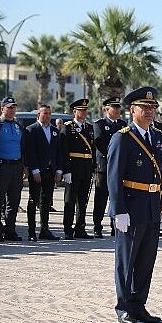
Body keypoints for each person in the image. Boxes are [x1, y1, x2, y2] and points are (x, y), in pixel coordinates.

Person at [108, 86, 162, 323]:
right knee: (126, 260)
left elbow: (161, 172)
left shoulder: (159, 137)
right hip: (131, 209)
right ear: (132, 110)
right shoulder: (122, 138)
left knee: (145, 261)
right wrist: (118, 210)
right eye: (145, 107)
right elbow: (113, 178)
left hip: (152, 207)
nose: (150, 111)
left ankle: (138, 304)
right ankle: (123, 307)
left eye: (152, 107)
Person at [60, 98, 96, 240]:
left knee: (83, 200)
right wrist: (66, 170)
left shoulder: (89, 128)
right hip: (73, 168)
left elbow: (92, 149)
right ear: (74, 111)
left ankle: (80, 228)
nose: (84, 112)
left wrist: (92, 166)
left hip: (86, 168)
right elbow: (64, 151)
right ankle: (68, 229)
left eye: (85, 110)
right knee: (70, 200)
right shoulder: (68, 127)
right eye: (81, 110)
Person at [25, 104, 61, 241]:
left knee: (46, 202)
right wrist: (34, 170)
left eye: (49, 113)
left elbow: (58, 152)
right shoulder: (31, 130)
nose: (47, 116)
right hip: (37, 171)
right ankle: (31, 231)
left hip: (50, 171)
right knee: (33, 200)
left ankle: (44, 229)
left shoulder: (54, 131)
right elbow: (30, 152)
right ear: (38, 115)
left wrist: (58, 169)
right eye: (45, 113)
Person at [93, 97, 127, 238]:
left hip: (120, 168)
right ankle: (97, 226)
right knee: (101, 198)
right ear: (107, 109)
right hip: (105, 167)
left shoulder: (122, 124)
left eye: (119, 107)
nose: (118, 110)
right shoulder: (100, 124)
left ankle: (114, 226)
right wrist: (114, 156)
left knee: (116, 197)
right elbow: (99, 143)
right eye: (115, 107)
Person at [0, 97, 26, 241]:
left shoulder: (18, 125)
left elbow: (23, 147)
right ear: (2, 109)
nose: (12, 110)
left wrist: (25, 166)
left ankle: (10, 230)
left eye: (14, 107)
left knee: (14, 201)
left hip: (16, 167)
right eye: (9, 107)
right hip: (1, 166)